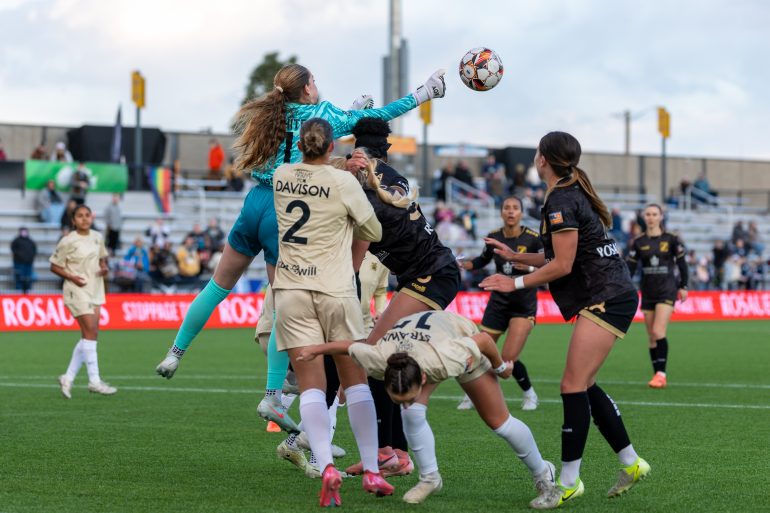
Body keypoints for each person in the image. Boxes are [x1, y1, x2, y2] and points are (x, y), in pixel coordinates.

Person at [154, 63, 447, 435]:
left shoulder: (266, 114)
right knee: (282, 303)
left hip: (254, 203)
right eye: (314, 81)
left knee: (217, 286)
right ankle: (273, 392)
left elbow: (302, 142)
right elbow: (375, 117)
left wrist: (348, 110)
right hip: (284, 209)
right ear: (308, 88)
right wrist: (423, 94)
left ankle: (175, 353)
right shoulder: (321, 115)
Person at [479, 132, 649, 509]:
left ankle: (569, 482)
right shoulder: (569, 192)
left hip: (606, 297)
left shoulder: (561, 197)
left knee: (571, 385)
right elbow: (561, 255)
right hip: (609, 295)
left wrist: (515, 281)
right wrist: (519, 257)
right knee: (584, 385)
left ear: (544, 159)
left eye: (538, 151)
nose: (535, 156)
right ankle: (631, 462)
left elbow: (564, 265)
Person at [297, 310, 556, 506]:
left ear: (423, 379)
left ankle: (543, 474)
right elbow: (348, 347)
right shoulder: (378, 360)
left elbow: (485, 340)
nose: (404, 403)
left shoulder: (448, 358)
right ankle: (430, 479)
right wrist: (315, 350)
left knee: (499, 421)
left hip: (456, 334)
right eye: (397, 399)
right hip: (414, 346)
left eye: (408, 397)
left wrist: (501, 369)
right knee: (412, 411)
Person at [271, 117, 391, 506]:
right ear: (331, 147)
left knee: (311, 386)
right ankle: (372, 470)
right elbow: (373, 230)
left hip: (290, 290)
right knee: (354, 383)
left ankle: (324, 467)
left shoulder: (281, 175)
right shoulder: (342, 182)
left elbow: (307, 171)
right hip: (335, 290)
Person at [336, 117, 463, 481]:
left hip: (431, 276)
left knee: (372, 354)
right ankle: (394, 453)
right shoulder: (390, 174)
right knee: (387, 358)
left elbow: (352, 267)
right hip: (434, 272)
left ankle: (385, 452)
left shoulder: (365, 199)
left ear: (356, 153)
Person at [457, 196, 543, 411]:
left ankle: (529, 394)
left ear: (522, 213)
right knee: (478, 351)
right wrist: (460, 264)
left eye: (515, 207)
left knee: (506, 359)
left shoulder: (533, 238)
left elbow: (549, 266)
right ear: (502, 212)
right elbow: (481, 260)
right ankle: (472, 395)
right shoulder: (493, 237)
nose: (511, 211)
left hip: (523, 305)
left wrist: (531, 270)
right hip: (498, 303)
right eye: (507, 207)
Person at [49, 204, 116, 398]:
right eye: (80, 216)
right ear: (73, 220)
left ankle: (67, 377)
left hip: (95, 289)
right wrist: (72, 277)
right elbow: (54, 266)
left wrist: (103, 269)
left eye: (87, 215)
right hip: (76, 290)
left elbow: (103, 259)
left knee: (90, 335)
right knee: (91, 332)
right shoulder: (68, 241)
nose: (84, 219)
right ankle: (94, 381)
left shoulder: (97, 237)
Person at [626, 204, 688, 389]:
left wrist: (683, 286)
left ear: (661, 217)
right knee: (651, 337)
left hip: (667, 290)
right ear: (644, 217)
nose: (651, 217)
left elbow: (683, 265)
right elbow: (630, 268)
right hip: (648, 292)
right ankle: (657, 374)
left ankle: (661, 375)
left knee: (658, 331)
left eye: (654, 214)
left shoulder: (672, 239)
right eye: (648, 214)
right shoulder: (638, 242)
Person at [11, 227, 37, 293]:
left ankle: (28, 289)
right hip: (19, 263)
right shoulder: (16, 241)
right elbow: (14, 250)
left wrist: (30, 258)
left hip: (28, 263)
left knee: (28, 277)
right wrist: (20, 257)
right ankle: (18, 290)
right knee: (19, 277)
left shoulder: (30, 241)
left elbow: (34, 250)